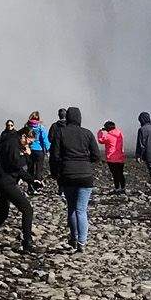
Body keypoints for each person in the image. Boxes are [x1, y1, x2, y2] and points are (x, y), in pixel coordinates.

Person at [50, 104, 102, 252]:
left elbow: (55, 156)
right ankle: (82, 242)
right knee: (82, 210)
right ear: (79, 118)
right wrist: (85, 161)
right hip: (85, 175)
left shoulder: (61, 133)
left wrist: (55, 174)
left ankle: (73, 237)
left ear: (67, 118)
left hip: (67, 175)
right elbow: (96, 156)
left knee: (72, 208)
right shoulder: (87, 133)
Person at [0, 125, 36, 253]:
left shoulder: (11, 141)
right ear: (24, 136)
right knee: (27, 209)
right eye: (29, 142)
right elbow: (16, 166)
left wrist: (32, 180)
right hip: (6, 183)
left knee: (2, 212)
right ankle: (27, 242)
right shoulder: (13, 145)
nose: (29, 145)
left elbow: (15, 166)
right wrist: (27, 156)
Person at [98, 121, 126, 193]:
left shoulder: (108, 136)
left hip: (111, 158)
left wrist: (100, 132)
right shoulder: (120, 133)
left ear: (107, 128)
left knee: (115, 174)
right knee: (121, 173)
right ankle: (123, 188)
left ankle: (117, 188)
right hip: (121, 158)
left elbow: (100, 140)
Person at [26, 112, 50, 190]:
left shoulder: (27, 127)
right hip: (39, 151)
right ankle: (36, 187)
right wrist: (48, 150)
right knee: (39, 170)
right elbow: (45, 140)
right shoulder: (41, 127)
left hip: (29, 150)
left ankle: (30, 186)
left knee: (30, 169)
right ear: (38, 119)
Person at [47, 108, 68, 182]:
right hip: (67, 150)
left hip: (55, 150)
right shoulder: (69, 126)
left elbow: (50, 138)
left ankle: (60, 188)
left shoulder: (54, 126)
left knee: (57, 170)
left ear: (58, 115)